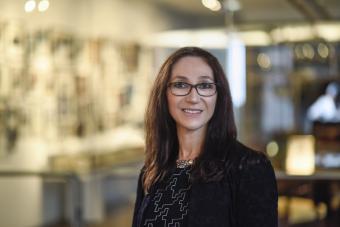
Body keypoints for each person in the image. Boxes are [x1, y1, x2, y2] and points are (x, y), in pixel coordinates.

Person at [132, 47, 278, 227]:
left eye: (205, 85)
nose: (193, 97)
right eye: (181, 85)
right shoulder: (153, 170)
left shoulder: (249, 167)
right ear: (164, 94)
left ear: (218, 96)